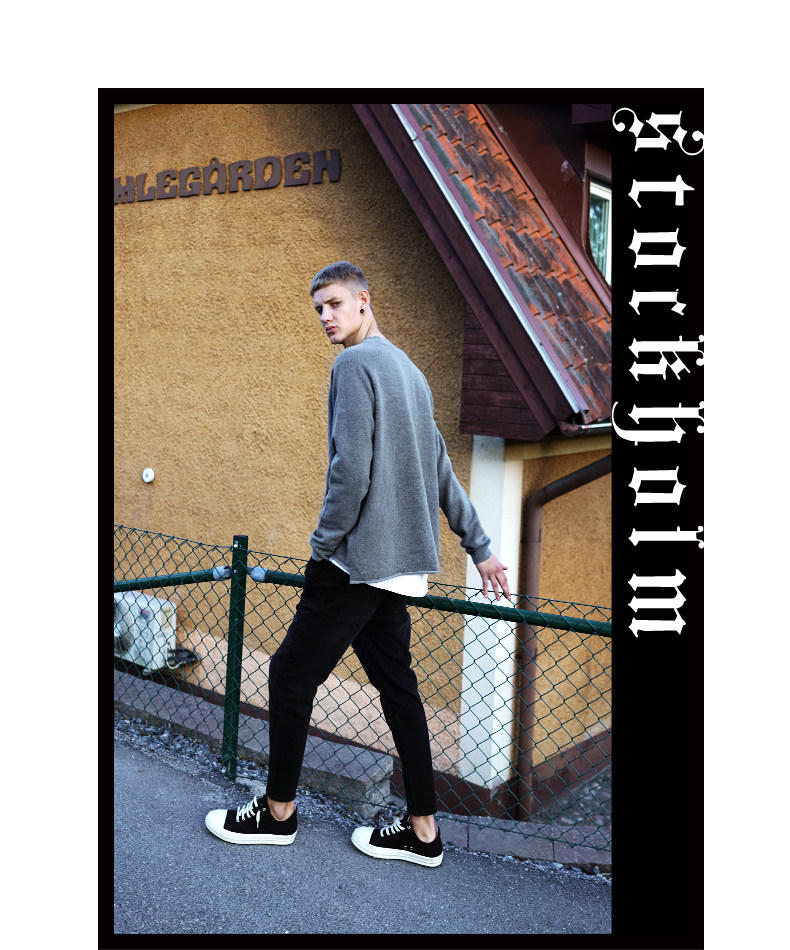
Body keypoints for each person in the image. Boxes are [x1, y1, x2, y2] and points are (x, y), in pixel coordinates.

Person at [205, 261, 510, 867]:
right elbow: (441, 470)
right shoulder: (410, 371)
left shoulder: (354, 366)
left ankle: (277, 814)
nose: (326, 317)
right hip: (398, 568)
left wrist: (322, 546)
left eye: (335, 304)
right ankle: (424, 833)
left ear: (364, 300)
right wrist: (480, 547)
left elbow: (351, 472)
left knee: (290, 674)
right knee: (399, 690)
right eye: (319, 308)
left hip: (354, 563)